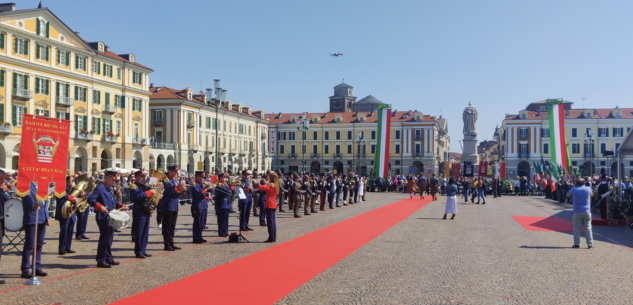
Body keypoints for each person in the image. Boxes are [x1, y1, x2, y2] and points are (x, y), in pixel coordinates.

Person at [87, 170, 128, 268]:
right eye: (113, 179)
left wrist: (121, 205)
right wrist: (100, 207)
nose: (114, 181)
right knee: (104, 239)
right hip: (103, 217)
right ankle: (100, 260)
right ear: (107, 178)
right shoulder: (100, 188)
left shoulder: (109, 188)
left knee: (109, 238)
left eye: (115, 180)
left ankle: (108, 258)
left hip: (111, 216)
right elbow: (90, 199)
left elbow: (113, 202)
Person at [20, 182, 52, 278]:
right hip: (31, 217)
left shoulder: (42, 184)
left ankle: (36, 267)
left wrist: (47, 217)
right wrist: (32, 205)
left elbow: (45, 202)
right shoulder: (27, 185)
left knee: (39, 244)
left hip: (42, 218)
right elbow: (24, 199)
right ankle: (25, 269)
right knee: (29, 244)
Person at [129, 170, 157, 258]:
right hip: (139, 212)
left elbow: (150, 194)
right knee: (139, 232)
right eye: (141, 177)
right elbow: (137, 196)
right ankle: (138, 251)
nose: (143, 178)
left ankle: (143, 250)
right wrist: (149, 192)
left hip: (146, 211)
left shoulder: (144, 186)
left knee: (145, 232)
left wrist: (156, 194)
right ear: (136, 177)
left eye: (144, 177)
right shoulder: (134, 186)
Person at [160, 165, 186, 251]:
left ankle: (171, 242)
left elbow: (176, 193)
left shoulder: (175, 180)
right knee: (167, 226)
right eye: (174, 171)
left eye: (176, 171)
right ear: (169, 171)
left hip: (174, 205)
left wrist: (182, 190)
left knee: (172, 226)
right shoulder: (166, 179)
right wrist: (178, 187)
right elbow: (168, 192)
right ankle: (166, 244)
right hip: (168, 205)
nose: (176, 173)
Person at [55, 176, 82, 255]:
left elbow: (77, 198)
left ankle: (68, 247)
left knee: (70, 230)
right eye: (69, 183)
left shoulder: (72, 189)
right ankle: (62, 248)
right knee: (64, 230)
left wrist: (81, 195)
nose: (71, 184)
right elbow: (61, 195)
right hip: (63, 212)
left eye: (72, 183)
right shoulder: (60, 188)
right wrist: (72, 197)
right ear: (65, 182)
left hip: (71, 212)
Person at [566, 178, 594, 249]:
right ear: (584, 183)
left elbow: (567, 195)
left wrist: (573, 187)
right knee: (588, 228)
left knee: (576, 228)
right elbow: (592, 195)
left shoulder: (573, 189)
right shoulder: (588, 188)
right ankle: (590, 244)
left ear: (576, 183)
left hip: (577, 211)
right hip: (587, 211)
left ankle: (576, 244)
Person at [258, 173, 280, 242]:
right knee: (273, 221)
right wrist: (266, 182)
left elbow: (262, 188)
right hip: (274, 204)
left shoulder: (271, 185)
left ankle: (271, 237)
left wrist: (256, 184)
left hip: (269, 204)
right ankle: (273, 236)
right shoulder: (276, 185)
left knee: (270, 222)